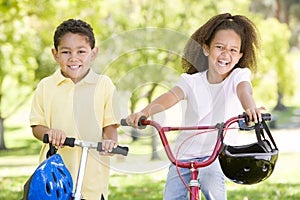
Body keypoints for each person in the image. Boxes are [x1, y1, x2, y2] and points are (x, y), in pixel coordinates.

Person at [125, 13, 265, 200]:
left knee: (211, 183)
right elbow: (170, 97)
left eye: (233, 50)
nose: (225, 54)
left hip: (214, 156)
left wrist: (250, 108)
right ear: (206, 49)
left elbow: (244, 92)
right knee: (172, 196)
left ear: (239, 56)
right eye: (219, 47)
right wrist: (144, 112)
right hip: (183, 156)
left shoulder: (237, 77)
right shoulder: (191, 82)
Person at [29, 19, 120, 200]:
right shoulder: (46, 86)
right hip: (55, 179)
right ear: (55, 54)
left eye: (81, 51)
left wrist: (110, 142)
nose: (73, 58)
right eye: (65, 52)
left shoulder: (103, 85)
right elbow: (36, 126)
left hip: (92, 181)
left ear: (93, 53)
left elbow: (110, 125)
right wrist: (50, 132)